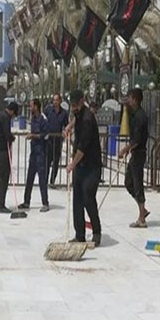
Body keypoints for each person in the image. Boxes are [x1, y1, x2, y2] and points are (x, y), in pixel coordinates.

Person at [65, 90, 102, 246]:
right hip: (80, 166)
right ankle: (79, 234)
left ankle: (96, 232)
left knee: (88, 197)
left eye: (75, 105)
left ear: (81, 102)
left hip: (91, 166)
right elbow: (76, 119)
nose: (73, 108)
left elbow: (82, 147)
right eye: (71, 106)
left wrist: (72, 164)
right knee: (77, 200)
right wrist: (69, 126)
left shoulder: (87, 119)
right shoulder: (80, 115)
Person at [119, 88, 150, 228]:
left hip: (139, 153)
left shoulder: (140, 116)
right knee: (129, 182)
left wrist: (125, 149)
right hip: (135, 153)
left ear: (135, 99)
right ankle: (142, 209)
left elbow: (137, 139)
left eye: (130, 98)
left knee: (137, 183)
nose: (128, 100)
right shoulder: (134, 114)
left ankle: (142, 218)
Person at [19, 99, 50, 213]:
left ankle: (45, 203)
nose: (29, 108)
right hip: (33, 153)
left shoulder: (43, 119)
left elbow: (45, 135)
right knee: (29, 178)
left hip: (41, 153)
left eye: (31, 106)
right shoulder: (33, 119)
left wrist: (33, 135)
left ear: (36, 107)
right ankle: (26, 201)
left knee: (42, 179)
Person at [0, 102, 18, 213]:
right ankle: (0, 204)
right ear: (12, 111)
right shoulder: (5, 117)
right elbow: (7, 134)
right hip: (3, 151)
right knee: (3, 177)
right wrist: (11, 138)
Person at [44, 94, 69, 187]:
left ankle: (52, 181)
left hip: (58, 141)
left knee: (55, 162)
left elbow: (66, 125)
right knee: (47, 161)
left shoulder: (64, 113)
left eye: (56, 100)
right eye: (54, 100)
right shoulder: (48, 110)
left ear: (60, 101)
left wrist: (65, 133)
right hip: (49, 140)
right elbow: (43, 120)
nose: (55, 102)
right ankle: (44, 181)